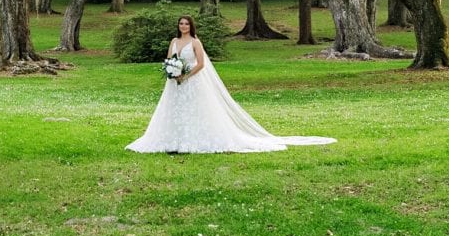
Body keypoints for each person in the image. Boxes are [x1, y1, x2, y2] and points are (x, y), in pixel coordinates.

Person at [127, 14, 336, 154]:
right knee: (173, 110)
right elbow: (169, 60)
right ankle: (172, 141)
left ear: (191, 26)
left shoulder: (195, 42)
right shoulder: (174, 42)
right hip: (174, 84)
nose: (183, 26)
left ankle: (193, 141)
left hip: (192, 81)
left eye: (186, 24)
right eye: (181, 24)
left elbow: (200, 64)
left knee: (196, 111)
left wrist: (185, 75)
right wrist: (172, 72)